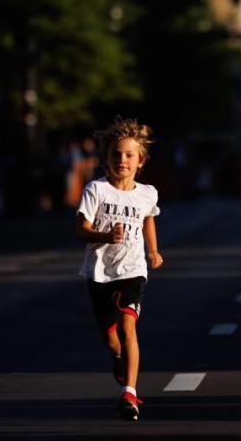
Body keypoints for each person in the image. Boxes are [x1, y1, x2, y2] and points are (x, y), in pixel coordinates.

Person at [75, 117, 164, 422]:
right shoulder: (95, 190)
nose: (122, 160)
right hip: (99, 272)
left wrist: (152, 251)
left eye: (129, 155)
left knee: (128, 327)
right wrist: (104, 236)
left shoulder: (147, 193)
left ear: (141, 160)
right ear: (106, 159)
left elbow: (148, 217)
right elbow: (80, 229)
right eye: (116, 154)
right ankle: (117, 357)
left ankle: (129, 392)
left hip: (132, 270)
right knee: (110, 338)